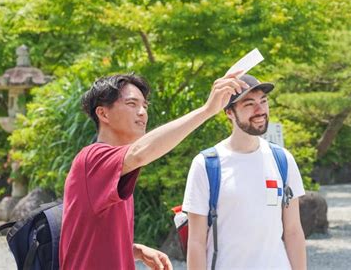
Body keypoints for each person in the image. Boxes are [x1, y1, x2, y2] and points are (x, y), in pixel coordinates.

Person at [59, 72, 247, 270]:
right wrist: (207, 110)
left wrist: (133, 250)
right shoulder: (94, 158)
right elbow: (140, 153)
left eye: (145, 106)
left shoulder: (113, 169)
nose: (142, 112)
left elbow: (88, 240)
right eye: (132, 104)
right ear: (103, 114)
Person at [183, 74, 307, 270]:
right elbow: (196, 241)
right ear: (229, 113)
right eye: (249, 104)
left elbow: (293, 231)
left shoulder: (282, 159)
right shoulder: (206, 165)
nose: (260, 110)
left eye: (263, 101)